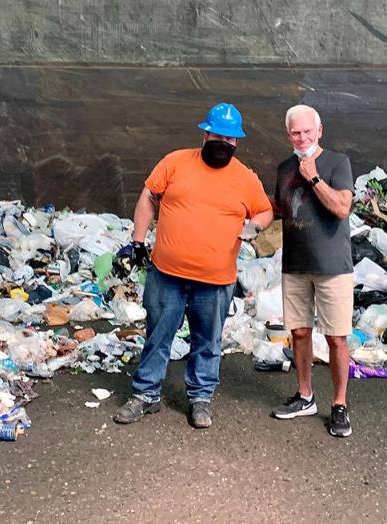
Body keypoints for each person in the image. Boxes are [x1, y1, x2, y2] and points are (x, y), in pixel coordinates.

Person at [113, 103, 273, 429]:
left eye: (230, 139)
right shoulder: (175, 162)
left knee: (208, 340)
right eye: (217, 135)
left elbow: (265, 211)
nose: (223, 143)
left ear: (237, 142)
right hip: (166, 275)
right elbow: (148, 197)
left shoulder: (244, 177)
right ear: (205, 133)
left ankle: (200, 399)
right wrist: (139, 241)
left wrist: (254, 226)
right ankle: (146, 395)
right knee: (158, 335)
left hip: (216, 280)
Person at [269, 104, 355, 437]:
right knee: (300, 333)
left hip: (332, 266)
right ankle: (305, 396)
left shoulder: (337, 163)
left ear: (320, 130)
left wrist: (313, 177)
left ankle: (339, 405)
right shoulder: (282, 168)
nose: (302, 137)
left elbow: (341, 208)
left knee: (336, 337)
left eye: (308, 131)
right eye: (295, 132)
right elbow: (280, 210)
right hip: (295, 265)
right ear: (287, 134)